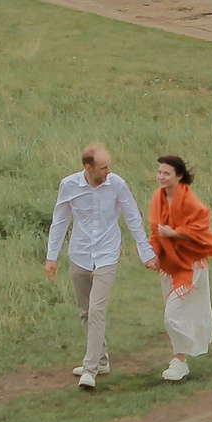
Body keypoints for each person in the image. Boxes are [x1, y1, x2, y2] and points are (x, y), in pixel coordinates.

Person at [45, 142, 154, 391]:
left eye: (109, 166)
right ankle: (102, 360)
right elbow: (60, 220)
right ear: (88, 167)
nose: (108, 171)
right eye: (103, 167)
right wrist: (52, 257)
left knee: (96, 310)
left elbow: (133, 217)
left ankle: (90, 369)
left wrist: (146, 251)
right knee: (84, 311)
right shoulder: (69, 185)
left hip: (107, 254)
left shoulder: (117, 184)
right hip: (80, 255)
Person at [147, 153, 212, 382]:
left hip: (191, 265)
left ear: (178, 176)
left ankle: (179, 360)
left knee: (173, 313)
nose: (161, 177)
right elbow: (155, 230)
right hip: (170, 265)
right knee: (174, 311)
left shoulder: (191, 202)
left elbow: (201, 231)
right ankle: (179, 358)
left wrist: (176, 233)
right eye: (159, 172)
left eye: (166, 173)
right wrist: (153, 254)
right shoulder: (157, 198)